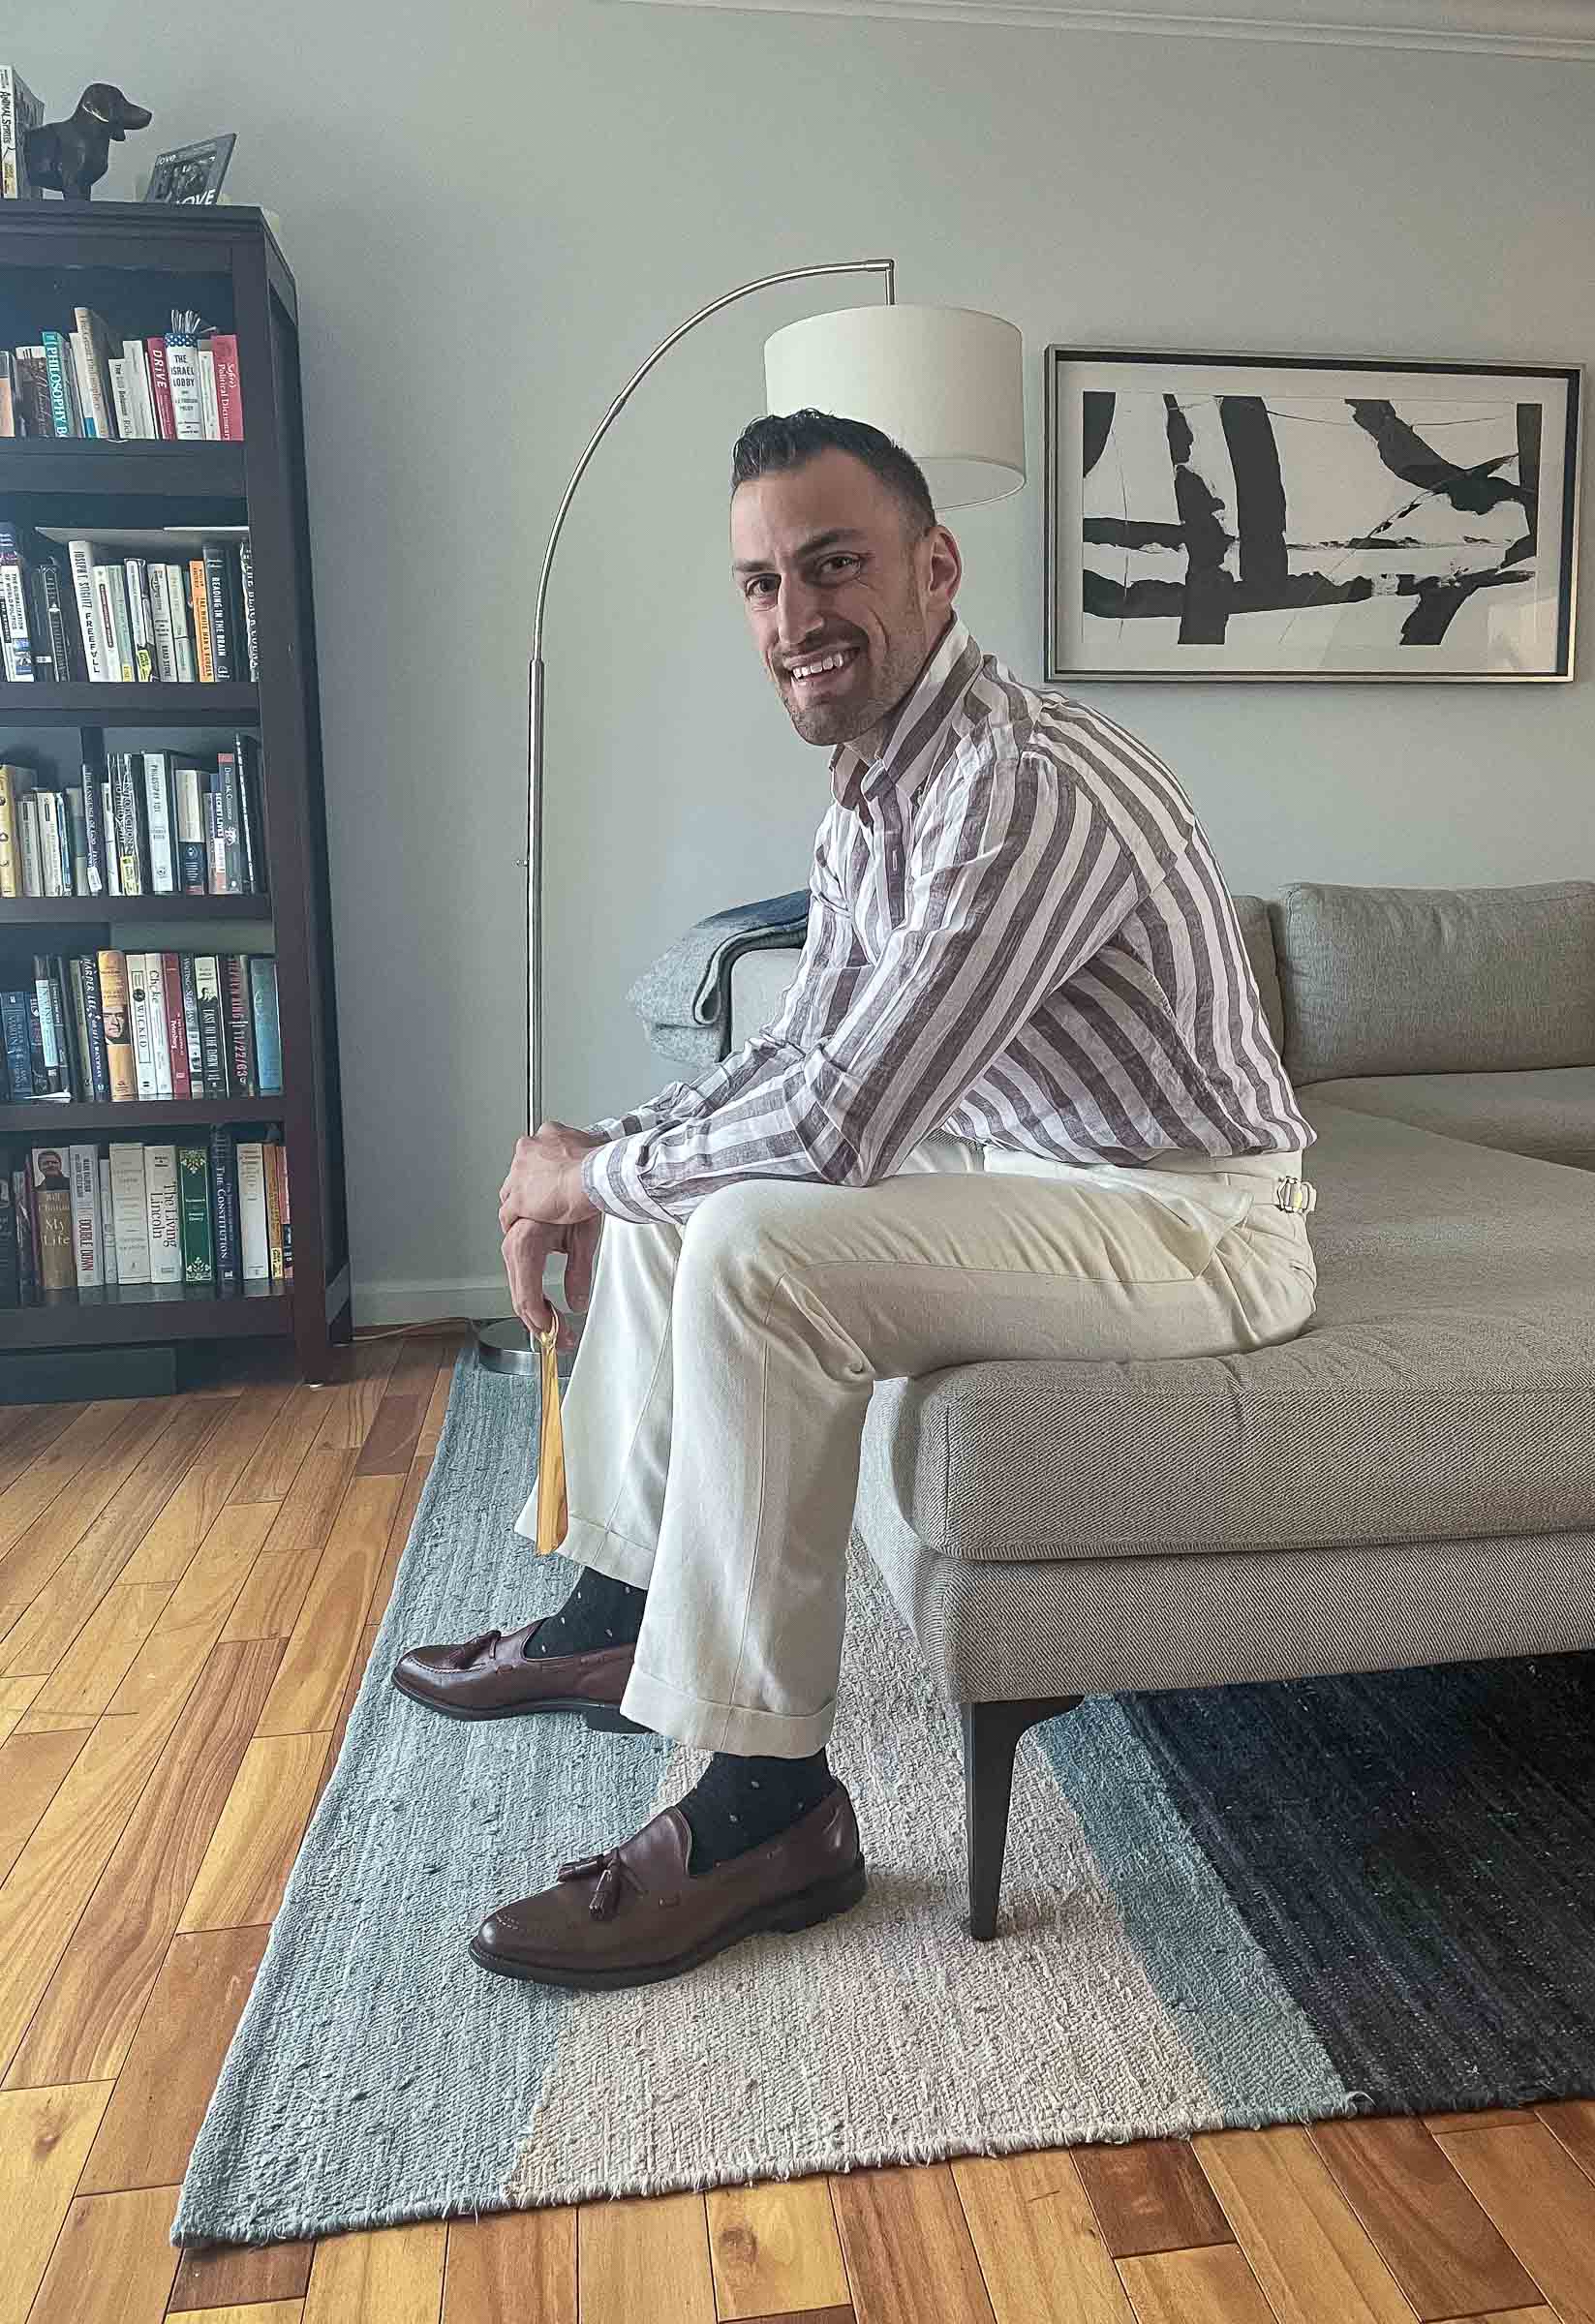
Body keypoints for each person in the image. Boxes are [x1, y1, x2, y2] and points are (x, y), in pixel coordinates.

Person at [396, 409, 1320, 1992]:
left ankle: (770, 1807)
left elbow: (842, 1121)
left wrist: (587, 1174)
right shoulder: (877, 790)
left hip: (1196, 1221)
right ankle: (619, 1602)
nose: (794, 618)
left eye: (834, 566)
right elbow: (798, 1057)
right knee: (689, 1198)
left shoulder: (1018, 787)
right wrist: (601, 1156)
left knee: (753, 1241)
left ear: (935, 568)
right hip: (1034, 1166)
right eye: (761, 583)